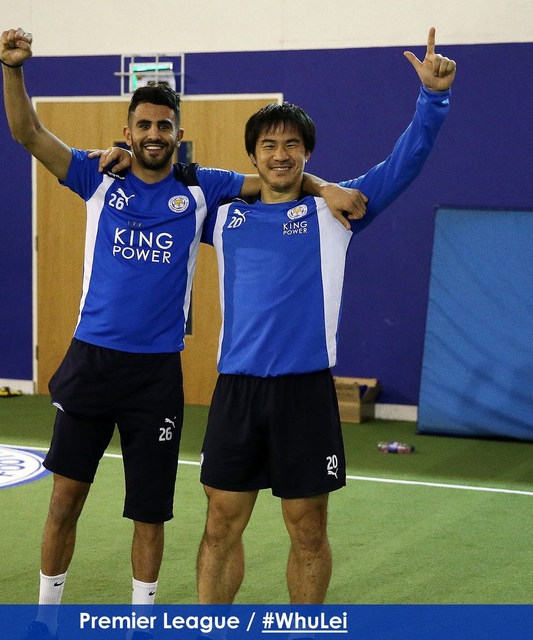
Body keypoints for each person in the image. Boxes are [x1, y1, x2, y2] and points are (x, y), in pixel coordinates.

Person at [0, 27, 366, 639]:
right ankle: (45, 619)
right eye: (143, 125)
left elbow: (277, 178)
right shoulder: (97, 177)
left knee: (149, 512)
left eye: (164, 126)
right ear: (127, 132)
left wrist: (326, 187)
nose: (153, 134)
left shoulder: (203, 187)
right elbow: (27, 133)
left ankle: (141, 622)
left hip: (157, 375)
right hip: (92, 363)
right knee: (64, 499)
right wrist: (13, 69)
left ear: (177, 133)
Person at [194, 27, 456, 604]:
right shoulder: (221, 215)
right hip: (237, 391)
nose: (280, 154)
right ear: (253, 156)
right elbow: (166, 177)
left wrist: (432, 99)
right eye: (268, 145)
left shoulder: (338, 213)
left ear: (306, 151)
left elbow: (403, 164)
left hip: (305, 393)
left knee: (308, 530)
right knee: (219, 525)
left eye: (292, 145)